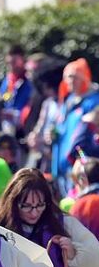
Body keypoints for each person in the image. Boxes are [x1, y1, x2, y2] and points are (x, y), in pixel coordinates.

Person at [51, 58, 99, 190]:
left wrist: (82, 162)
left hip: (81, 168)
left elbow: (88, 137)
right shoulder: (68, 101)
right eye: (67, 77)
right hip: (62, 168)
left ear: (84, 78)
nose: (71, 81)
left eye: (75, 77)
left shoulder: (94, 101)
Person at [0, 44, 33, 124]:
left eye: (14, 62)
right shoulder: (7, 81)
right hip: (8, 125)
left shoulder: (30, 79)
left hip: (26, 124)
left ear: (23, 59)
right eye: (9, 63)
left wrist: (20, 116)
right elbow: (2, 100)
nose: (11, 66)